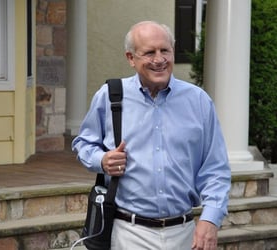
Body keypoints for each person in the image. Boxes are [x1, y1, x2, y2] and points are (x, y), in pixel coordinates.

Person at [72, 20, 231, 250]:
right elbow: (83, 143)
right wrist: (102, 160)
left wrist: (210, 218)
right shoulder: (111, 96)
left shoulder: (198, 101)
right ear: (130, 58)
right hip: (128, 233)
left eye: (165, 50)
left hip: (185, 234)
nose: (159, 59)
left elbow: (215, 168)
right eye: (149, 52)